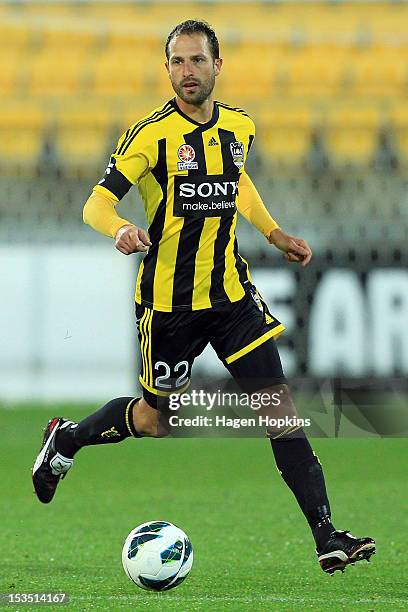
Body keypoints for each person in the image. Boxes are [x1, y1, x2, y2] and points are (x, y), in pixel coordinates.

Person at [32, 20, 375, 574]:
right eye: (177, 62)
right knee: (153, 420)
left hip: (232, 298)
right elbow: (95, 204)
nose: (186, 72)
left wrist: (273, 232)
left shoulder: (240, 125)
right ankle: (69, 438)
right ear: (166, 69)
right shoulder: (150, 136)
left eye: (196, 61)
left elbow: (236, 180)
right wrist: (118, 228)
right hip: (168, 308)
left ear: (218, 66)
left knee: (279, 412)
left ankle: (326, 536)